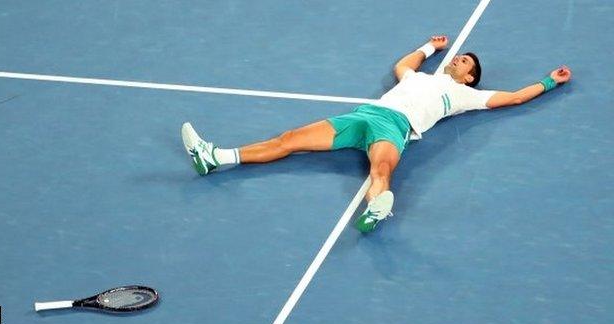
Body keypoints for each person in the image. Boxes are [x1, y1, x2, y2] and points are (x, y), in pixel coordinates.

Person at [181, 35, 572, 233]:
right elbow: (403, 64)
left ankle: (374, 210)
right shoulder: (418, 75)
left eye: (464, 61)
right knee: (289, 139)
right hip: (364, 116)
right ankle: (215, 157)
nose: (458, 58)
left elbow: (517, 96)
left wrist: (549, 82)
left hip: (394, 127)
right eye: (458, 55)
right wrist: (428, 47)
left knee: (381, 169)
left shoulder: (467, 96)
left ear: (470, 77)